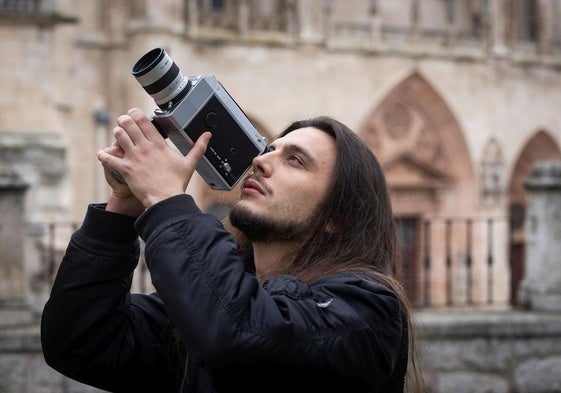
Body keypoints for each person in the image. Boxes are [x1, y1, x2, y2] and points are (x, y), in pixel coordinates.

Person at [41, 108, 423, 393]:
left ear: (336, 216)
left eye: (295, 160)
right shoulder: (215, 299)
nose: (259, 161)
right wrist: (123, 209)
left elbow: (239, 334)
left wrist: (168, 200)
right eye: (269, 149)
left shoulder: (368, 310)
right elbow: (82, 342)